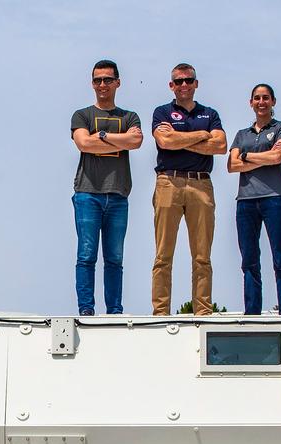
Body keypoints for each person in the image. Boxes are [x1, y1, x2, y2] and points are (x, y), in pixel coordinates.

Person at [151, 63, 226, 316]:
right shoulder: (162, 112)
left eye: (189, 80)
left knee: (202, 256)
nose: (184, 85)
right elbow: (164, 141)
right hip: (168, 183)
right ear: (171, 86)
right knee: (163, 255)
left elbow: (220, 145)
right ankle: (161, 313)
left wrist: (180, 140)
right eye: (179, 81)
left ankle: (203, 311)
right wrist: (201, 135)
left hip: (201, 183)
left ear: (196, 83)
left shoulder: (210, 113)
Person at [70, 60, 143, 316]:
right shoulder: (82, 115)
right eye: (98, 80)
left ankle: (114, 312)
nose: (103, 84)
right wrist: (117, 141)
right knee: (87, 255)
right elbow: (83, 144)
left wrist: (100, 136)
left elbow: (136, 141)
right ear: (92, 83)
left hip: (118, 195)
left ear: (117, 83)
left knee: (114, 259)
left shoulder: (129, 116)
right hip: (88, 193)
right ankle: (86, 311)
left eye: (108, 80)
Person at [227, 83, 281, 315]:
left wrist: (246, 157)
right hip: (245, 201)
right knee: (249, 261)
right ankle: (252, 312)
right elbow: (232, 165)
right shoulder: (241, 134)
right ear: (251, 102)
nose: (261, 102)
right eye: (257, 98)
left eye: (265, 98)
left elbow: (277, 156)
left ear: (273, 101)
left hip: (274, 198)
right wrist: (258, 158)